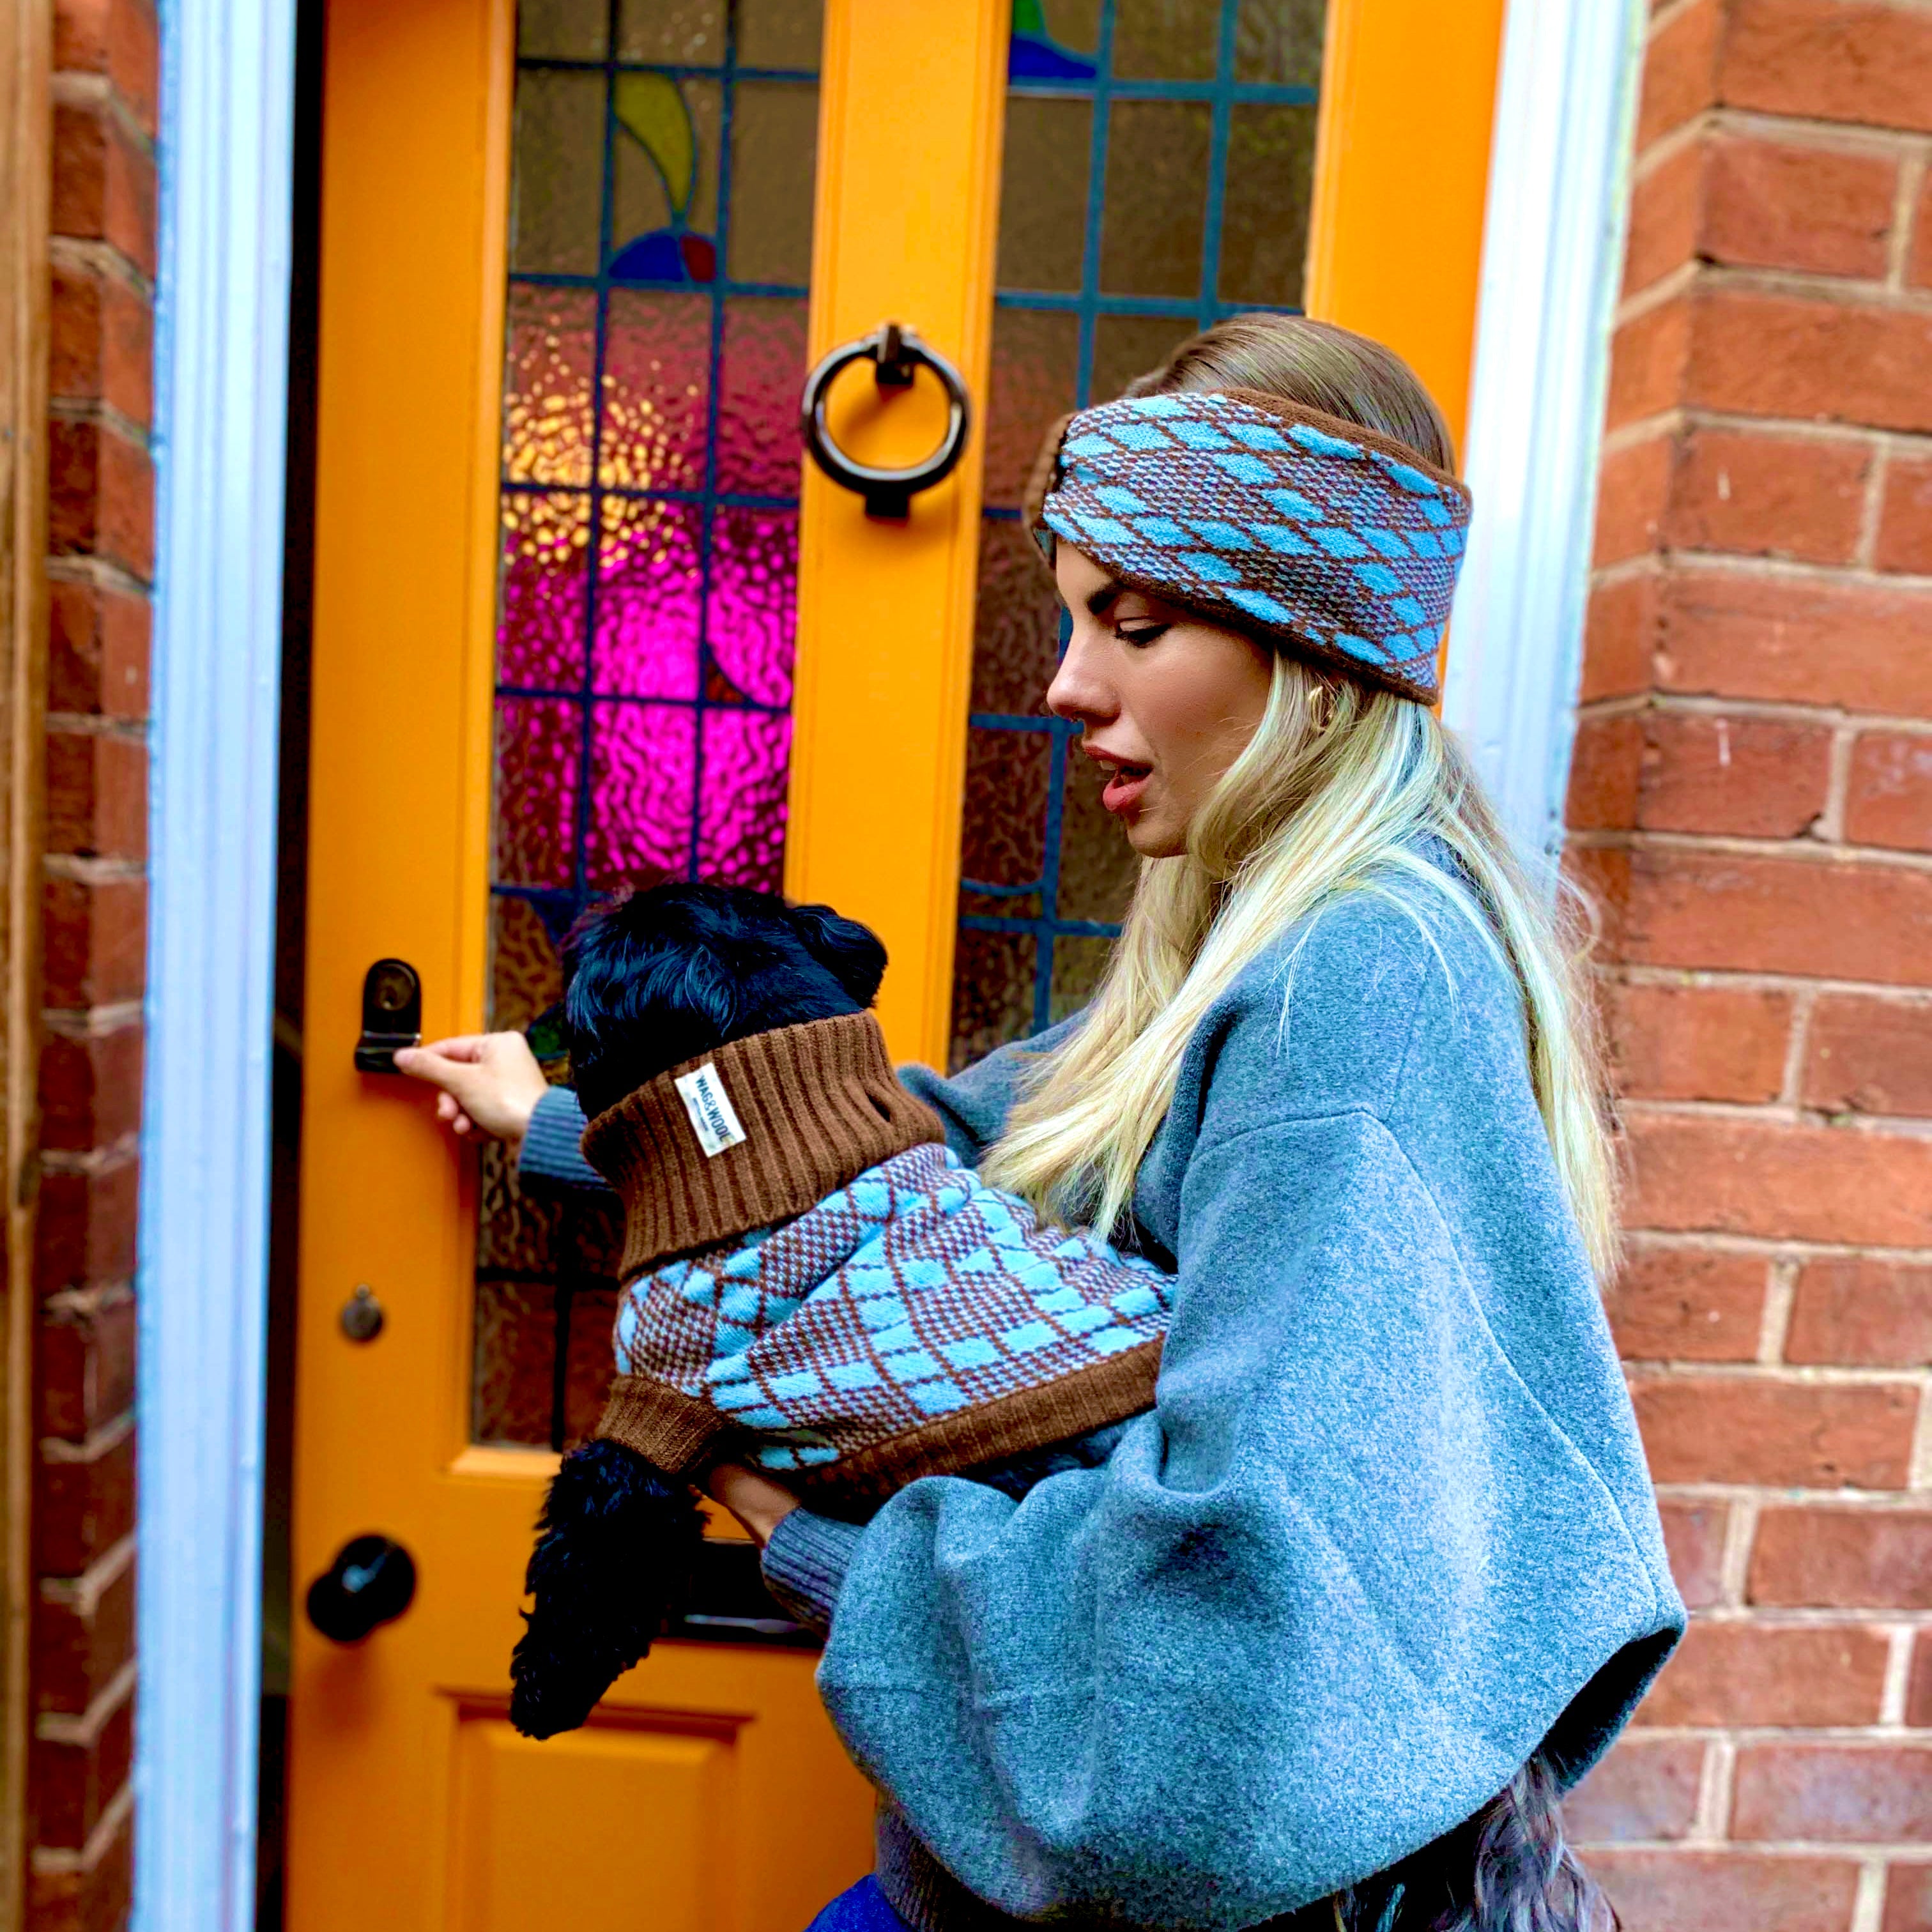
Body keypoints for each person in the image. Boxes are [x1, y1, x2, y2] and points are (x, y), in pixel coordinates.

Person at [400, 314, 1683, 1932]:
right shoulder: (1252, 938)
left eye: (1133, 625)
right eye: (1078, 622)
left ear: (1312, 650)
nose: (1071, 684)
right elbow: (942, 1140)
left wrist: (797, 1532)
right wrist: (576, 1128)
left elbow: (1224, 1672)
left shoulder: (1358, 982)